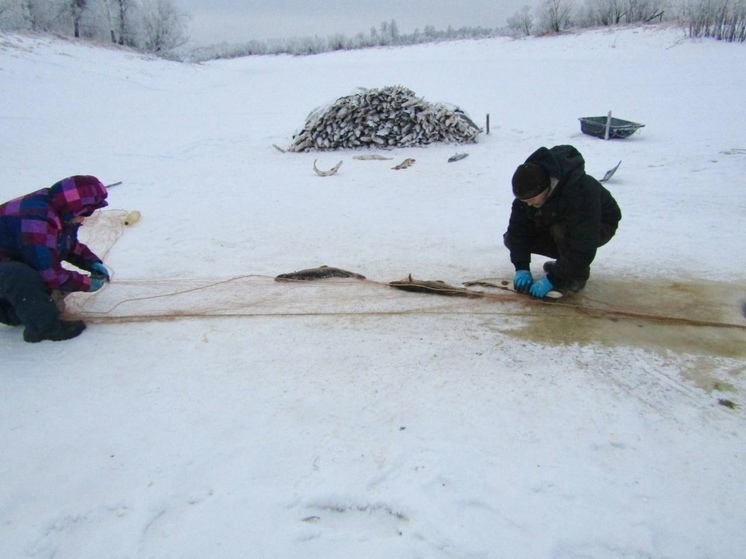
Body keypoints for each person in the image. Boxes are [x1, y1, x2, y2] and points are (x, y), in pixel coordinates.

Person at [0, 175, 110, 342]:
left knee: (33, 297)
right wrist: (86, 284)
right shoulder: (37, 219)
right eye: (86, 212)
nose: (86, 217)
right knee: (18, 275)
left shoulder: (57, 209)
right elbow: (50, 274)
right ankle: (45, 329)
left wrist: (90, 261)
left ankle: (16, 312)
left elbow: (65, 244)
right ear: (75, 207)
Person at [503, 145, 621, 298]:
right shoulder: (529, 193)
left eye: (531, 200)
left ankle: (576, 275)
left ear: (546, 188)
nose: (528, 204)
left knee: (561, 230)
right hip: (556, 219)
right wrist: (521, 267)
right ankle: (565, 265)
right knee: (511, 239)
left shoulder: (579, 192)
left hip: (599, 224)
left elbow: (583, 245)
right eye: (524, 200)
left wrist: (553, 278)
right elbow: (518, 232)